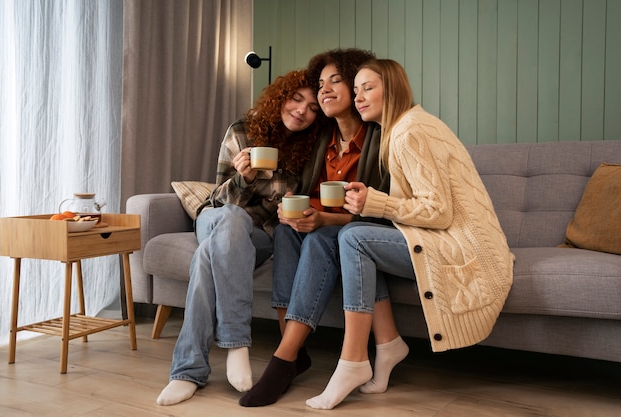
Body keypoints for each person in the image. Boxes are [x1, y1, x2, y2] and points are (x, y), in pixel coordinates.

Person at [306, 59, 515, 409]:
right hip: (451, 238)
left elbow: (438, 210)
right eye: (356, 90)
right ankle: (387, 345)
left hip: (463, 246)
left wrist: (375, 203)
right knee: (361, 237)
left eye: (368, 87)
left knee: (354, 238)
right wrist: (372, 203)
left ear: (394, 87)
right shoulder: (404, 127)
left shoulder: (409, 131)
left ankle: (354, 360)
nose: (359, 97)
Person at [156, 69, 324, 406]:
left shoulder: (309, 150)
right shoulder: (242, 131)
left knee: (207, 257)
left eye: (313, 108)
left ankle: (188, 371)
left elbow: (293, 206)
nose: (303, 110)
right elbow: (220, 200)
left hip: (258, 236)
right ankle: (235, 342)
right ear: (281, 97)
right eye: (296, 99)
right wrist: (243, 180)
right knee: (231, 219)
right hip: (216, 218)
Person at [239, 48, 390, 407]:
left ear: (356, 86)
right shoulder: (320, 142)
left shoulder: (380, 139)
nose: (324, 89)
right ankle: (291, 346)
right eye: (320, 83)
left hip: (360, 233)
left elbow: (378, 215)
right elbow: (308, 200)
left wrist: (322, 220)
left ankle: (284, 359)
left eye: (335, 81)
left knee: (321, 237)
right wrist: (299, 214)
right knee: (289, 231)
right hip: (323, 226)